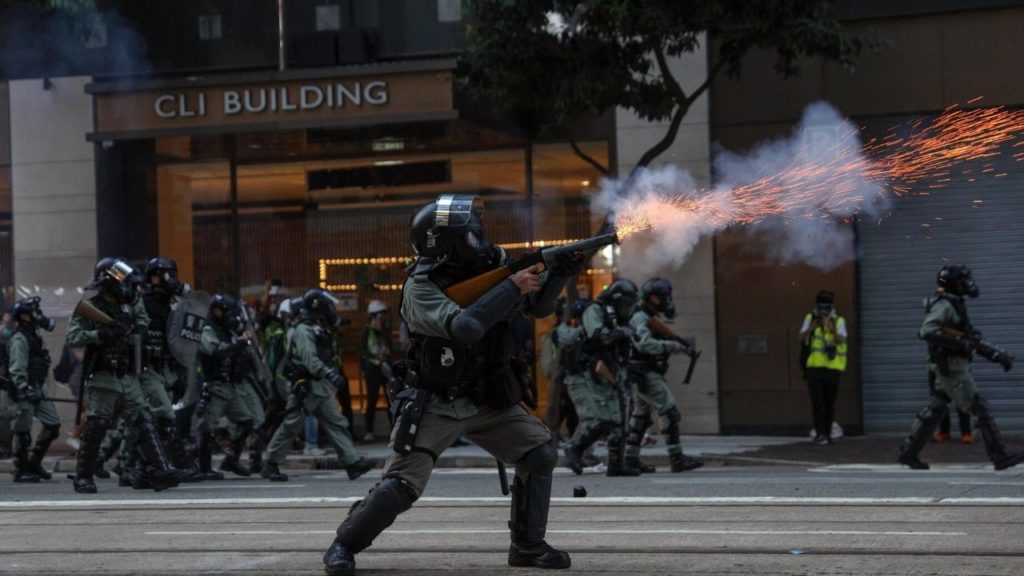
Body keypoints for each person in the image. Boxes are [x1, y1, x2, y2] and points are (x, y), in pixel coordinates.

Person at [322, 194, 579, 576]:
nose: (479, 240)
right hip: (437, 402)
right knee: (401, 487)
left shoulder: (494, 265)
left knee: (539, 453)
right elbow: (466, 328)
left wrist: (563, 270)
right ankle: (344, 543)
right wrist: (512, 286)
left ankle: (527, 545)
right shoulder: (420, 287)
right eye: (470, 235)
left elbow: (538, 307)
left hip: (487, 396)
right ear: (447, 245)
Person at [67, 258, 181, 494]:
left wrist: (139, 326)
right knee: (97, 424)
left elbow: (143, 318)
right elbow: (74, 336)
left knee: (144, 419)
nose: (129, 287)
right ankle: (83, 477)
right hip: (104, 374)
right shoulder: (92, 305)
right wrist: (101, 334)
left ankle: (161, 470)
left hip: (128, 373)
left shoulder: (128, 304)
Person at [898, 265, 1023, 471]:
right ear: (954, 284)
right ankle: (999, 456)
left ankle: (908, 453)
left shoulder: (955, 305)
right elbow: (927, 331)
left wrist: (997, 355)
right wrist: (960, 344)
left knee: (934, 409)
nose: (968, 284)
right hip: (953, 368)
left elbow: (970, 340)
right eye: (963, 280)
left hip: (951, 366)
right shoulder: (945, 305)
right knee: (979, 408)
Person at [261, 288, 377, 482]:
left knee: (336, 423)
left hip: (319, 387)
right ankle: (270, 463)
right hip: (305, 388)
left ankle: (352, 463)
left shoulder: (316, 327)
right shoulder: (304, 330)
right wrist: (330, 374)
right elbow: (309, 359)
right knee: (291, 425)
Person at [624, 278, 704, 474]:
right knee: (668, 411)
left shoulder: (646, 315)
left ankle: (630, 459)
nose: (667, 300)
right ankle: (677, 459)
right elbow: (644, 344)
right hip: (644, 372)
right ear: (653, 297)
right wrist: (673, 346)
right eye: (663, 297)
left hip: (641, 372)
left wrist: (678, 343)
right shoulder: (641, 317)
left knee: (640, 417)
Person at [135, 258, 199, 481]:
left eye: (172, 274)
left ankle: (134, 467)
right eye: (163, 275)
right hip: (148, 367)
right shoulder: (142, 302)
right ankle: (166, 465)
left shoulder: (174, 303)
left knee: (144, 420)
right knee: (164, 414)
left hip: (168, 367)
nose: (169, 279)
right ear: (151, 278)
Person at [572, 279, 642, 477]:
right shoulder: (594, 310)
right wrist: (621, 332)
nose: (628, 309)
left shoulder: (617, 317)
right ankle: (576, 447)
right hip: (596, 370)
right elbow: (598, 337)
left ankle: (616, 464)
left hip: (614, 370)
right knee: (607, 418)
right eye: (626, 304)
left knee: (620, 420)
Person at [195, 293, 266, 479]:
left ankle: (231, 459)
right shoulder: (207, 329)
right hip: (215, 385)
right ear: (217, 311)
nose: (231, 317)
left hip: (230, 385)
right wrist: (238, 344)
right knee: (207, 427)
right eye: (227, 313)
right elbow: (215, 352)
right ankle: (204, 467)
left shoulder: (226, 329)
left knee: (246, 421)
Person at [560, 297, 625, 476]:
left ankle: (580, 453)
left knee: (596, 419)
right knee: (590, 417)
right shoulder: (564, 330)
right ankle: (575, 451)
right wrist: (585, 327)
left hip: (586, 378)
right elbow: (567, 336)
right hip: (574, 380)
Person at [7, 297, 60, 482]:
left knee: (53, 425)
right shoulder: (20, 338)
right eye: (34, 311)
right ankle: (21, 470)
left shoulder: (34, 336)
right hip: (23, 391)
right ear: (24, 316)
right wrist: (23, 387)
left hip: (36, 388)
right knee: (22, 430)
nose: (39, 315)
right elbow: (17, 368)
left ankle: (33, 463)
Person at [799, 290, 848, 445]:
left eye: (826, 307)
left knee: (829, 403)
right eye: (821, 307)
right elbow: (801, 337)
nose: (824, 311)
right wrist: (813, 327)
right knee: (817, 402)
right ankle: (819, 434)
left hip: (833, 368)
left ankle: (827, 433)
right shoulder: (810, 318)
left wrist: (830, 327)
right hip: (814, 368)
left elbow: (842, 339)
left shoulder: (839, 320)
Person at [360, 299, 391, 441]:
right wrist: (365, 366)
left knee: (391, 399)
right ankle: (369, 431)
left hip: (385, 368)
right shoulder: (366, 331)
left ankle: (394, 429)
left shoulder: (385, 329)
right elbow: (361, 350)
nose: (382, 318)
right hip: (372, 369)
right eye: (380, 315)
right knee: (372, 400)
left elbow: (390, 347)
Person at [928, 366, 973, 444]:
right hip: (938, 371)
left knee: (962, 402)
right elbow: (930, 360)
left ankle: (966, 433)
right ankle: (944, 433)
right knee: (941, 403)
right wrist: (931, 376)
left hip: (958, 370)